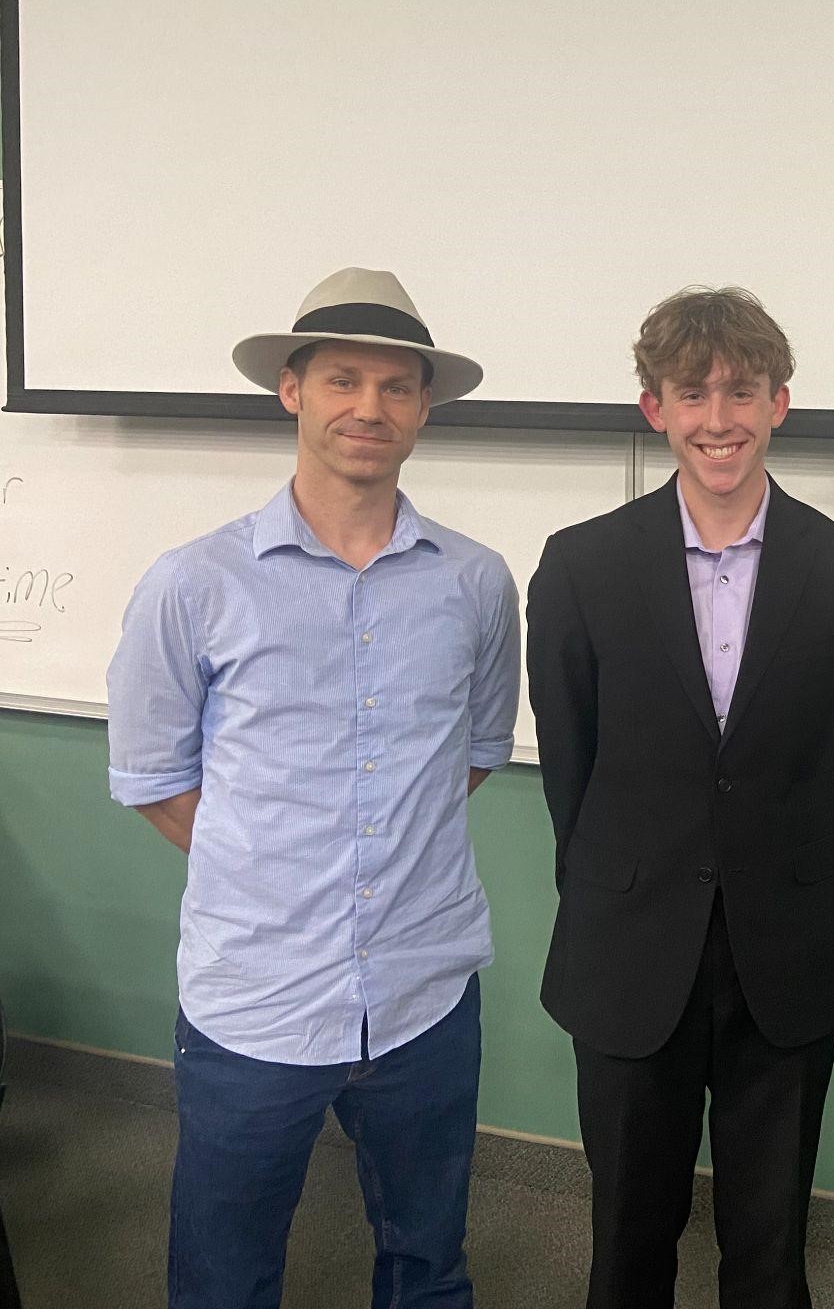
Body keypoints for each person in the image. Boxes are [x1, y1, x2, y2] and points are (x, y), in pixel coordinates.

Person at [107, 268, 518, 1309]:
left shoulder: (475, 583)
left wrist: (374, 859)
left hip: (425, 996)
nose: (367, 409)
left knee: (427, 1267)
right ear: (291, 391)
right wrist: (275, 862)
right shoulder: (194, 584)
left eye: (395, 387)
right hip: (256, 1000)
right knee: (224, 1278)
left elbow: (467, 756)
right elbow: (156, 778)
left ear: (424, 408)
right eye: (342, 380)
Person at [526, 286, 834, 1309]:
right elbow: (574, 761)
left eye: (742, 391)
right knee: (626, 1233)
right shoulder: (581, 565)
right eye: (692, 394)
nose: (718, 419)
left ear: (781, 401)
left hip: (787, 942)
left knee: (769, 1243)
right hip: (629, 940)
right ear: (654, 408)